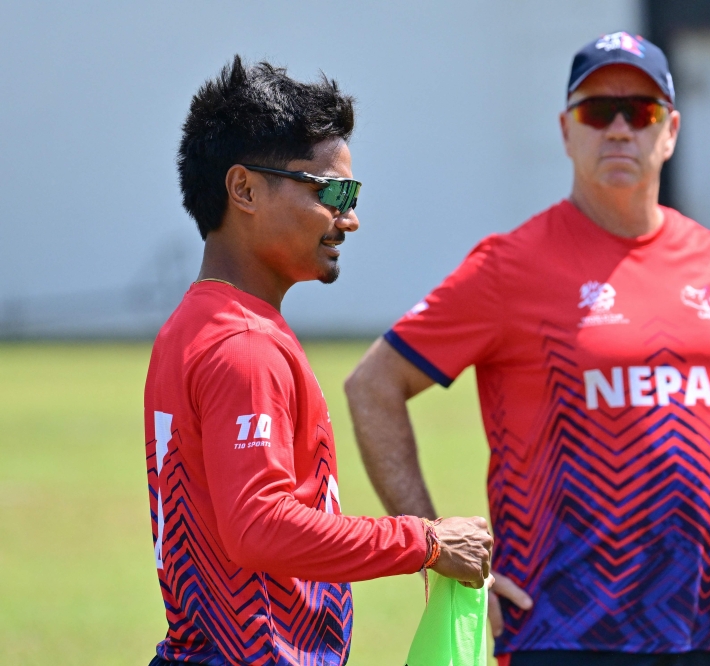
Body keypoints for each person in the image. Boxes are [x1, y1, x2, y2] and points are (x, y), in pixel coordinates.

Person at [345, 32, 710, 666]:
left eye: (640, 112)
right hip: (557, 629)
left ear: (670, 132)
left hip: (698, 626)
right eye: (596, 112)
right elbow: (373, 384)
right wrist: (434, 544)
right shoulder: (510, 267)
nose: (619, 130)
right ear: (566, 130)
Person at [143, 56, 492, 666]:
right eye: (332, 191)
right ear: (244, 189)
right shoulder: (242, 345)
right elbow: (259, 526)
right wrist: (427, 541)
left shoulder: (197, 323)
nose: (350, 218)